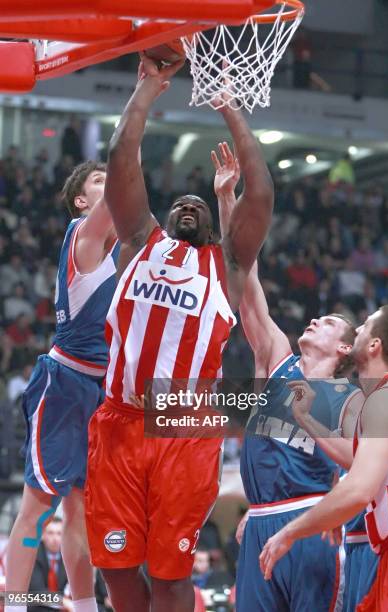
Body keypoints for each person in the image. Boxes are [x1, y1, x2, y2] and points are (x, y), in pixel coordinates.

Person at [84, 53, 273, 612]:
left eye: (200, 204)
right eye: (179, 203)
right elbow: (121, 155)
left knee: (169, 579)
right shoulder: (139, 242)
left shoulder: (227, 267)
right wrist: (148, 86)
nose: (189, 204)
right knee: (116, 571)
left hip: (183, 426)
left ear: (215, 228)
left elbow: (260, 193)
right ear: (160, 220)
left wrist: (231, 109)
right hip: (118, 420)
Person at [211, 143, 363, 611]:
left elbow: (364, 469)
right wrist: (226, 201)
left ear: (345, 349)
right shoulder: (276, 359)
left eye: (330, 322)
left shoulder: (350, 398)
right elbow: (245, 270)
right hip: (258, 520)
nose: (316, 320)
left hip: (312, 523)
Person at [5, 160, 119, 612]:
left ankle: (86, 606)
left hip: (103, 392)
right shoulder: (82, 234)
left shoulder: (128, 251)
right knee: (38, 504)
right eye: (99, 179)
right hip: (65, 383)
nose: (109, 182)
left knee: (82, 512)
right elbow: (119, 200)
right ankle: (14, 606)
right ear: (81, 200)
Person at [260, 305, 388, 611]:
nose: (357, 329)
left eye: (364, 325)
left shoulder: (386, 397)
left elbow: (359, 488)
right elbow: (360, 463)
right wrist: (305, 417)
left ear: (375, 345)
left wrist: (292, 530)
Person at [28, 517, 72, 612]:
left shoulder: (69, 557)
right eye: (50, 533)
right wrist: (63, 602)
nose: (55, 538)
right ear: (43, 535)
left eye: (59, 533)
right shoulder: (33, 555)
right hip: (37, 605)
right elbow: (38, 593)